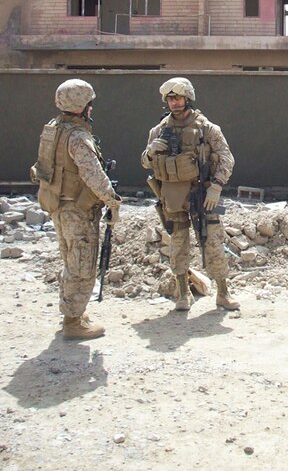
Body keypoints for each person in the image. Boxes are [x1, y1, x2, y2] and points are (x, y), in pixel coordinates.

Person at [30, 79, 121, 340]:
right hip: (77, 209)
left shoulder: (53, 129)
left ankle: (75, 312)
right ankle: (72, 323)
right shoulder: (78, 137)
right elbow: (94, 175)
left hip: (57, 204)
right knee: (82, 265)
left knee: (71, 259)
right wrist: (113, 202)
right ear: (83, 106)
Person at [141, 77, 239, 312]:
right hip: (173, 197)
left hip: (203, 195)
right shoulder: (158, 130)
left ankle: (223, 293)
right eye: (170, 99)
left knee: (213, 241)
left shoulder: (207, 128)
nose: (174, 103)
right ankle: (182, 294)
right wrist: (151, 152)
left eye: (178, 98)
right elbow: (145, 163)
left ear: (188, 98)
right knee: (178, 244)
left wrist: (216, 186)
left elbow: (227, 158)